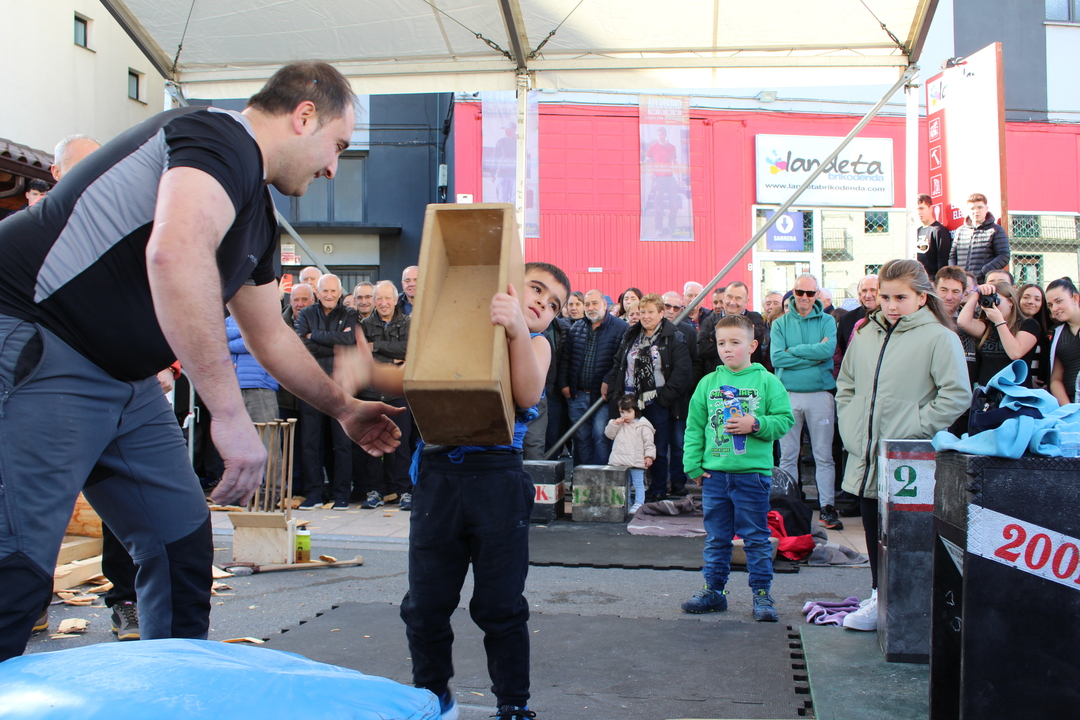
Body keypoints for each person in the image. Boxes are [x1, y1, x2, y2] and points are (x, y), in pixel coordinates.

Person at [0, 61, 402, 662]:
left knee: (181, 547)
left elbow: (270, 335)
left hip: (123, 379)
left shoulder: (256, 216)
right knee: (17, 568)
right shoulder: (216, 136)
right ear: (304, 116)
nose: (332, 168)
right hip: (38, 340)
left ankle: (177, 689)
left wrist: (344, 408)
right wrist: (230, 414)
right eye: (338, 146)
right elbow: (175, 251)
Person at [399, 261, 570, 720]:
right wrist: (365, 374)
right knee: (426, 603)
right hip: (438, 477)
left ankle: (513, 703)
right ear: (510, 282)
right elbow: (413, 378)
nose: (543, 303)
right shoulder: (463, 327)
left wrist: (516, 328)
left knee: (500, 604)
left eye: (554, 304)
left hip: (497, 480)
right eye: (536, 288)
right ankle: (432, 695)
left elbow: (527, 393)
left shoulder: (537, 343)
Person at [836, 259, 970, 631]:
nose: (891, 305)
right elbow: (846, 386)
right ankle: (879, 595)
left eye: (901, 297)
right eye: (885, 297)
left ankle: (903, 603)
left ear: (922, 298)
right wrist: (851, 428)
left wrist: (914, 429)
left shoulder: (939, 337)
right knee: (871, 524)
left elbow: (956, 395)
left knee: (906, 532)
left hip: (909, 458)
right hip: (866, 454)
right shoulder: (865, 332)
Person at [681, 314, 794, 622]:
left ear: (753, 345)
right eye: (721, 343)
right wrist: (693, 465)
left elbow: (785, 420)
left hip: (752, 475)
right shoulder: (708, 383)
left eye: (735, 342)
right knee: (717, 538)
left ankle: (762, 594)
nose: (727, 349)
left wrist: (755, 424)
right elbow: (694, 427)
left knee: (756, 538)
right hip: (715, 475)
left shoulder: (767, 382)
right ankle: (714, 592)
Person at [603, 293, 692, 501]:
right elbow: (619, 363)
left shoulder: (674, 336)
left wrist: (663, 399)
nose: (645, 316)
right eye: (642, 312)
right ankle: (631, 491)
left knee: (657, 447)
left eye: (651, 311)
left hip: (657, 401)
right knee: (627, 445)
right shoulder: (631, 334)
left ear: (661, 313)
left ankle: (658, 488)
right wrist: (615, 391)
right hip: (629, 401)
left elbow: (682, 372)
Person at [771, 274, 840, 529]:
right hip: (788, 395)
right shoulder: (780, 323)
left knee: (823, 455)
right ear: (793, 292)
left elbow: (827, 352)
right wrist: (813, 355)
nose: (804, 297)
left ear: (817, 294)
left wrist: (794, 351)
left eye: (810, 293)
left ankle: (828, 507)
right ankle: (789, 507)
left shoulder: (827, 321)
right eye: (800, 292)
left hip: (820, 394)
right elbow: (777, 358)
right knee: (788, 455)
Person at [296, 274, 361, 510]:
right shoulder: (306, 313)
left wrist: (314, 336)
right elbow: (302, 345)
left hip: (341, 385)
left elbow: (350, 341)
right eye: (325, 291)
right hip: (312, 385)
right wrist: (335, 343)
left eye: (333, 291)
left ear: (340, 292)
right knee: (310, 442)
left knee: (342, 442)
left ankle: (341, 494)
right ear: (317, 292)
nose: (329, 295)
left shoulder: (349, 313)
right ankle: (314, 493)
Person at [358, 281, 413, 509]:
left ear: (395, 300)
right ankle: (375, 491)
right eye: (378, 298)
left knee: (402, 445)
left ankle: (404, 491)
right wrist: (394, 361)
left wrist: (377, 347)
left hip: (398, 392)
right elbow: (363, 356)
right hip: (371, 394)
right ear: (373, 301)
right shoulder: (363, 325)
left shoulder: (408, 323)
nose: (383, 303)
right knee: (373, 445)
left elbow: (410, 349)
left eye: (387, 298)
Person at [558, 290, 628, 466]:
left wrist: (608, 381)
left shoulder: (620, 328)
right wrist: (564, 385)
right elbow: (566, 359)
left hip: (603, 397)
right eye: (587, 304)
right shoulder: (577, 328)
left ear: (604, 304)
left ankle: (602, 475)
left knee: (600, 435)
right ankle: (583, 476)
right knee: (581, 438)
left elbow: (620, 360)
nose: (590, 307)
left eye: (594, 303)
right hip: (578, 394)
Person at [956, 282, 1040, 388]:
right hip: (988, 390)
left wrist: (999, 322)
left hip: (1014, 391)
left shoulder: (1028, 324)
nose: (994, 305)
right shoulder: (988, 326)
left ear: (1011, 302)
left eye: (996, 301)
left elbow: (1015, 353)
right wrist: (977, 294)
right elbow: (963, 322)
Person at [662, 291, 701, 496]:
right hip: (656, 397)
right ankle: (658, 484)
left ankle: (678, 482)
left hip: (681, 398)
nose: (670, 311)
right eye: (667, 306)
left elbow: (696, 362)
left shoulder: (688, 332)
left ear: (682, 309)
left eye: (675, 307)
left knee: (679, 443)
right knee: (657, 443)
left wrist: (686, 385)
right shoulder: (650, 330)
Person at [698, 281, 767, 372]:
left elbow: (757, 336)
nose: (732, 302)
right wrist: (739, 343)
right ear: (724, 297)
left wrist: (714, 336)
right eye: (729, 297)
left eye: (738, 298)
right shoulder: (709, 321)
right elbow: (701, 349)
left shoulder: (755, 318)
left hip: (749, 375)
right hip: (718, 375)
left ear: (746, 301)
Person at [605, 394, 656, 514]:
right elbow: (609, 435)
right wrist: (614, 424)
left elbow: (649, 443)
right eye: (622, 412)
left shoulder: (643, 425)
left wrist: (649, 456)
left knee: (638, 483)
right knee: (624, 483)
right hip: (620, 460)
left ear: (636, 411)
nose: (625, 415)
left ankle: (639, 502)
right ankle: (626, 502)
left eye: (629, 412)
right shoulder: (619, 424)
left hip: (636, 460)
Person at [948, 193, 1010, 283]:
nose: (976, 211)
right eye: (972, 208)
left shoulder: (996, 230)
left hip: (983, 283)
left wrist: (983, 272)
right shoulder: (960, 231)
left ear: (986, 208)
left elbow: (1004, 256)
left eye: (980, 207)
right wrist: (956, 274)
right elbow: (952, 256)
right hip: (961, 282)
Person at [1047, 277, 1080, 405]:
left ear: (1075, 298)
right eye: (1050, 305)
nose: (1055, 308)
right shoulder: (1056, 333)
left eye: (1059, 301)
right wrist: (1068, 409)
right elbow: (1056, 379)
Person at [1018, 283, 1052, 387]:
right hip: (1019, 384)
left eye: (1037, 299)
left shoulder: (1047, 330)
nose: (1031, 302)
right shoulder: (1007, 327)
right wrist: (1028, 379)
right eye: (1026, 297)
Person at [836, 275, 878, 357]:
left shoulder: (891, 317)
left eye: (873, 290)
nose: (868, 295)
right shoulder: (846, 319)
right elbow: (840, 352)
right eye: (864, 291)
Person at [915, 193, 953, 277]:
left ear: (930, 209)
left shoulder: (939, 230)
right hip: (918, 278)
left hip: (933, 279)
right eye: (916, 209)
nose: (919, 212)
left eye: (922, 208)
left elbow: (943, 260)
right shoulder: (917, 231)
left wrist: (939, 280)